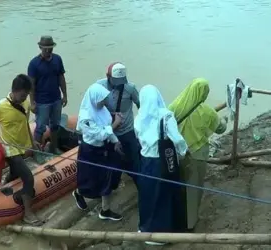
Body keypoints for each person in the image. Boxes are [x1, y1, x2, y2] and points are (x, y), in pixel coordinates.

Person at [168, 78, 228, 231]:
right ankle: (190, 223)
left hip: (178, 153)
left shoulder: (174, 106)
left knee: (179, 186)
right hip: (197, 154)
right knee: (193, 189)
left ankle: (177, 219)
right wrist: (225, 120)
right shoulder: (207, 112)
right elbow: (220, 129)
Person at [0, 74, 41, 225]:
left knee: (15, 173)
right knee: (28, 177)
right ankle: (28, 214)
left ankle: (4, 188)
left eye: (27, 94)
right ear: (15, 90)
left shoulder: (26, 103)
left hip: (22, 146)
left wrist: (33, 142)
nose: (25, 97)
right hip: (9, 149)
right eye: (23, 94)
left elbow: (26, 124)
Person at [134, 85, 188, 245]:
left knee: (147, 195)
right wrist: (184, 152)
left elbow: (138, 137)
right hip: (162, 162)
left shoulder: (139, 117)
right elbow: (177, 139)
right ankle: (162, 233)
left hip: (145, 161)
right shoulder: (166, 116)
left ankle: (145, 228)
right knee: (164, 194)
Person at [72, 83, 123, 221]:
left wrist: (115, 141)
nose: (104, 102)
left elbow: (106, 128)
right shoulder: (85, 117)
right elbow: (100, 134)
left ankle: (105, 210)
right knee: (90, 180)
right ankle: (78, 193)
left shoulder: (102, 110)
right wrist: (116, 123)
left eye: (104, 99)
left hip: (105, 148)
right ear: (94, 99)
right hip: (90, 151)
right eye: (101, 100)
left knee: (108, 177)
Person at [97, 62, 140, 188]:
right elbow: (94, 108)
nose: (119, 85)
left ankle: (142, 189)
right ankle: (111, 187)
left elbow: (140, 105)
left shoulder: (130, 88)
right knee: (113, 166)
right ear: (108, 76)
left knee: (135, 163)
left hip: (128, 131)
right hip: (110, 132)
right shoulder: (99, 87)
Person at [27, 36, 67, 154]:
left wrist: (64, 95)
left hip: (56, 99)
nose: (48, 51)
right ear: (40, 47)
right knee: (40, 128)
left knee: (55, 125)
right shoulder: (34, 64)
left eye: (50, 48)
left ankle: (53, 148)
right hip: (42, 101)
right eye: (45, 49)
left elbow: (61, 78)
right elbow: (31, 85)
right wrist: (32, 102)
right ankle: (37, 152)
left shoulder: (57, 59)